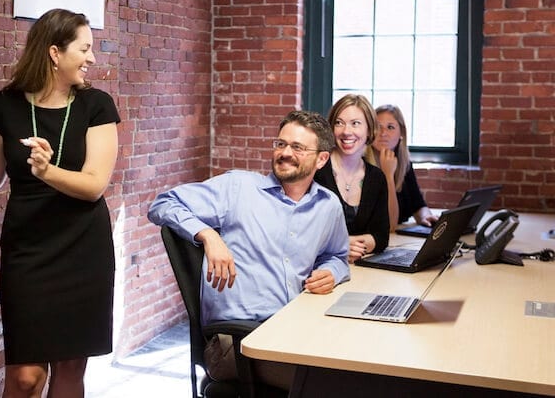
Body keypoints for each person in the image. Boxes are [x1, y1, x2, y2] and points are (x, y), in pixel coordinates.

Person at [0, 8, 120, 398]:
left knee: (69, 369)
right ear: (54, 52)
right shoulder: (4, 105)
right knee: (25, 377)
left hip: (82, 249)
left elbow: (94, 185)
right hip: (28, 251)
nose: (92, 58)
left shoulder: (96, 106)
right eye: (84, 48)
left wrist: (47, 171)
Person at [148, 110, 350, 391]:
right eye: (281, 144)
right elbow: (162, 204)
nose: (285, 153)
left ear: (322, 159)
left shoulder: (327, 205)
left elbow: (338, 256)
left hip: (295, 329)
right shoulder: (239, 188)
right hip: (238, 343)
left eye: (297, 147)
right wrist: (207, 235)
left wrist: (331, 271)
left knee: (362, 368)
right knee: (333, 385)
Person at [314, 94, 390, 263]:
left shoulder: (376, 178)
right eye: (339, 123)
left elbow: (381, 236)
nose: (346, 131)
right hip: (317, 268)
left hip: (358, 270)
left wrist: (354, 246)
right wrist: (341, 245)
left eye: (355, 123)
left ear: (369, 129)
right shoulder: (316, 170)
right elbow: (299, 229)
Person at [371, 104, 438, 232]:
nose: (383, 133)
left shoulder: (404, 163)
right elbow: (386, 223)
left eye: (390, 127)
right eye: (378, 127)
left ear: (401, 133)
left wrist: (426, 216)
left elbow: (418, 204)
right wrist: (388, 175)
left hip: (399, 238)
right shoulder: (361, 164)